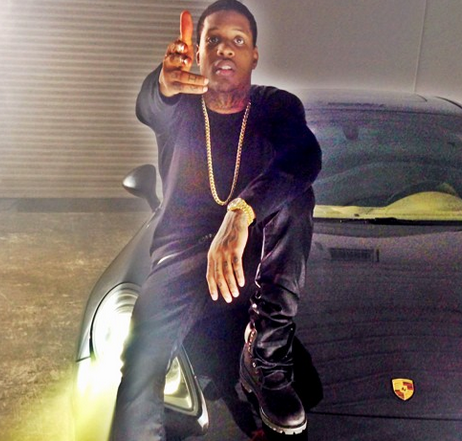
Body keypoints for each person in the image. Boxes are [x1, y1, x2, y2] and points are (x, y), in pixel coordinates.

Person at [110, 1, 321, 439]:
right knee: (140, 358)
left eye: (238, 40)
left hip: (256, 259)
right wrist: (162, 83)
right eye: (214, 40)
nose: (225, 48)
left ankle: (265, 357)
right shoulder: (179, 106)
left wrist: (241, 212)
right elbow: (150, 105)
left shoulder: (276, 107)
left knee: (297, 196)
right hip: (180, 257)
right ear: (198, 52)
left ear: (254, 56)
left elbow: (303, 156)